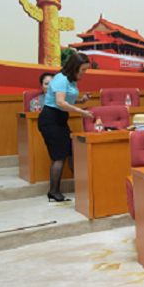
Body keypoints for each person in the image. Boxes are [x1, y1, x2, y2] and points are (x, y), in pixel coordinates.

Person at [38, 54, 93, 202]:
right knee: (59, 156)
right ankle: (54, 192)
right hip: (50, 119)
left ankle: (81, 187)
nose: (84, 72)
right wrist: (81, 112)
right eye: (83, 69)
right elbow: (60, 103)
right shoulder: (61, 79)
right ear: (75, 67)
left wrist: (81, 100)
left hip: (60, 120)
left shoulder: (70, 80)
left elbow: (68, 99)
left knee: (70, 151)